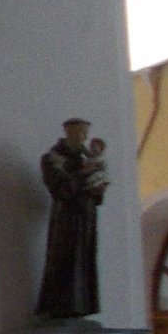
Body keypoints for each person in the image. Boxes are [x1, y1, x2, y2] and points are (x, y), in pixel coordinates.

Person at [36, 119, 109, 319]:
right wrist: (82, 174)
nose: (84, 138)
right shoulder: (52, 158)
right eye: (80, 133)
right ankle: (60, 306)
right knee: (65, 259)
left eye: (85, 134)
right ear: (69, 133)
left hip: (87, 215)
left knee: (84, 261)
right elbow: (60, 189)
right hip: (66, 217)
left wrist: (99, 189)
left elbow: (97, 192)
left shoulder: (88, 157)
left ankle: (82, 304)